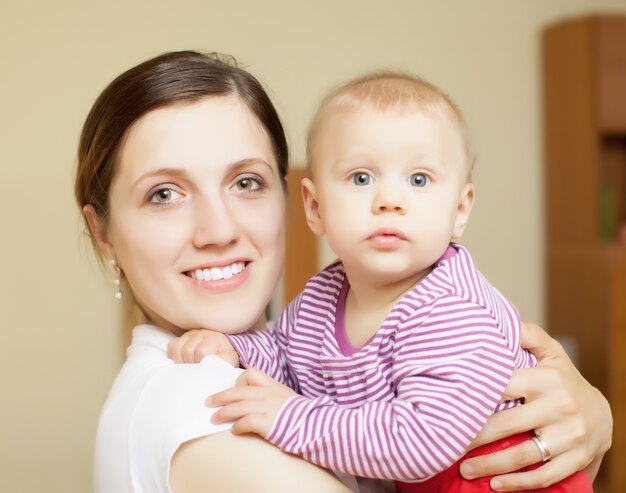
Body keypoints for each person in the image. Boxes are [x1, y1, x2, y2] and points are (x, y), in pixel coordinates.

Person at [76, 50, 611, 493]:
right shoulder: (199, 409)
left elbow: (291, 360)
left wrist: (593, 426)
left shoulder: (451, 309)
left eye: (246, 183)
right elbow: (288, 351)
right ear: (315, 204)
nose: (218, 229)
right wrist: (238, 354)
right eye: (164, 194)